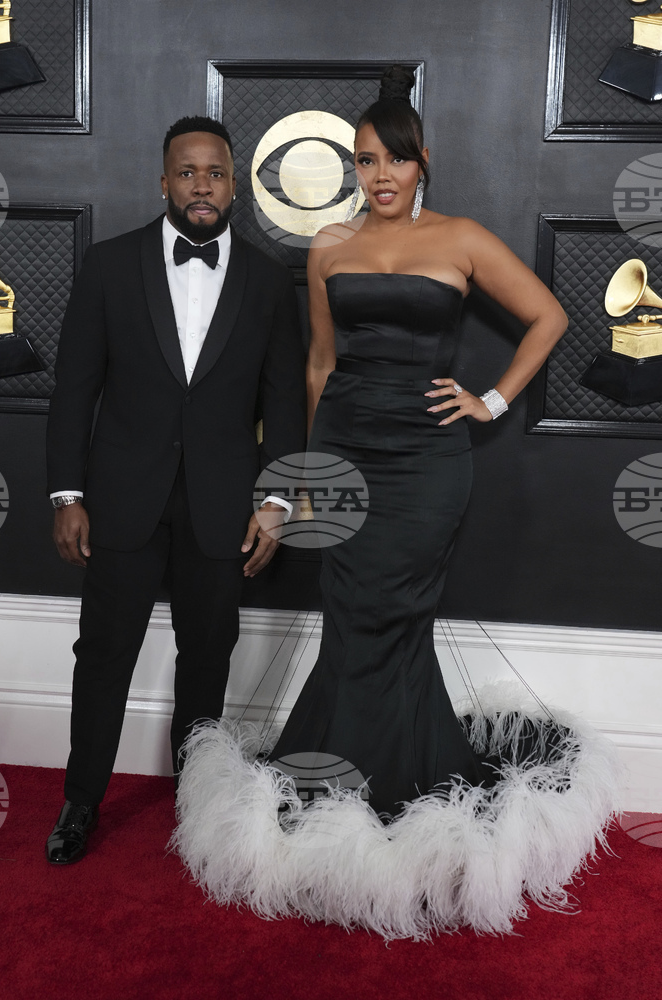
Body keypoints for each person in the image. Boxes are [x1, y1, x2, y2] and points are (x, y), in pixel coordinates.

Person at [172, 71, 619, 938]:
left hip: (427, 461)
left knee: (396, 610)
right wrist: (307, 471)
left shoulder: (460, 238)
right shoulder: (328, 246)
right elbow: (318, 364)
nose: (380, 175)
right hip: (344, 446)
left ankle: (392, 783)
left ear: (422, 163)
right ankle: (346, 782)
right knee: (349, 614)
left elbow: (548, 317)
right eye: (365, 161)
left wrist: (490, 399)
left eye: (395, 160)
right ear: (353, 168)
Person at [44, 116, 306, 865]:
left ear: (234, 186)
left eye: (215, 173)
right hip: (121, 498)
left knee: (207, 657)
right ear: (163, 182)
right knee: (104, 655)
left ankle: (197, 802)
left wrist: (276, 501)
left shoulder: (267, 279)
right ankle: (80, 801)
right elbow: (74, 389)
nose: (201, 186)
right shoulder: (108, 264)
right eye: (187, 172)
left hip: (222, 504)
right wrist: (66, 495)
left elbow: (285, 399)